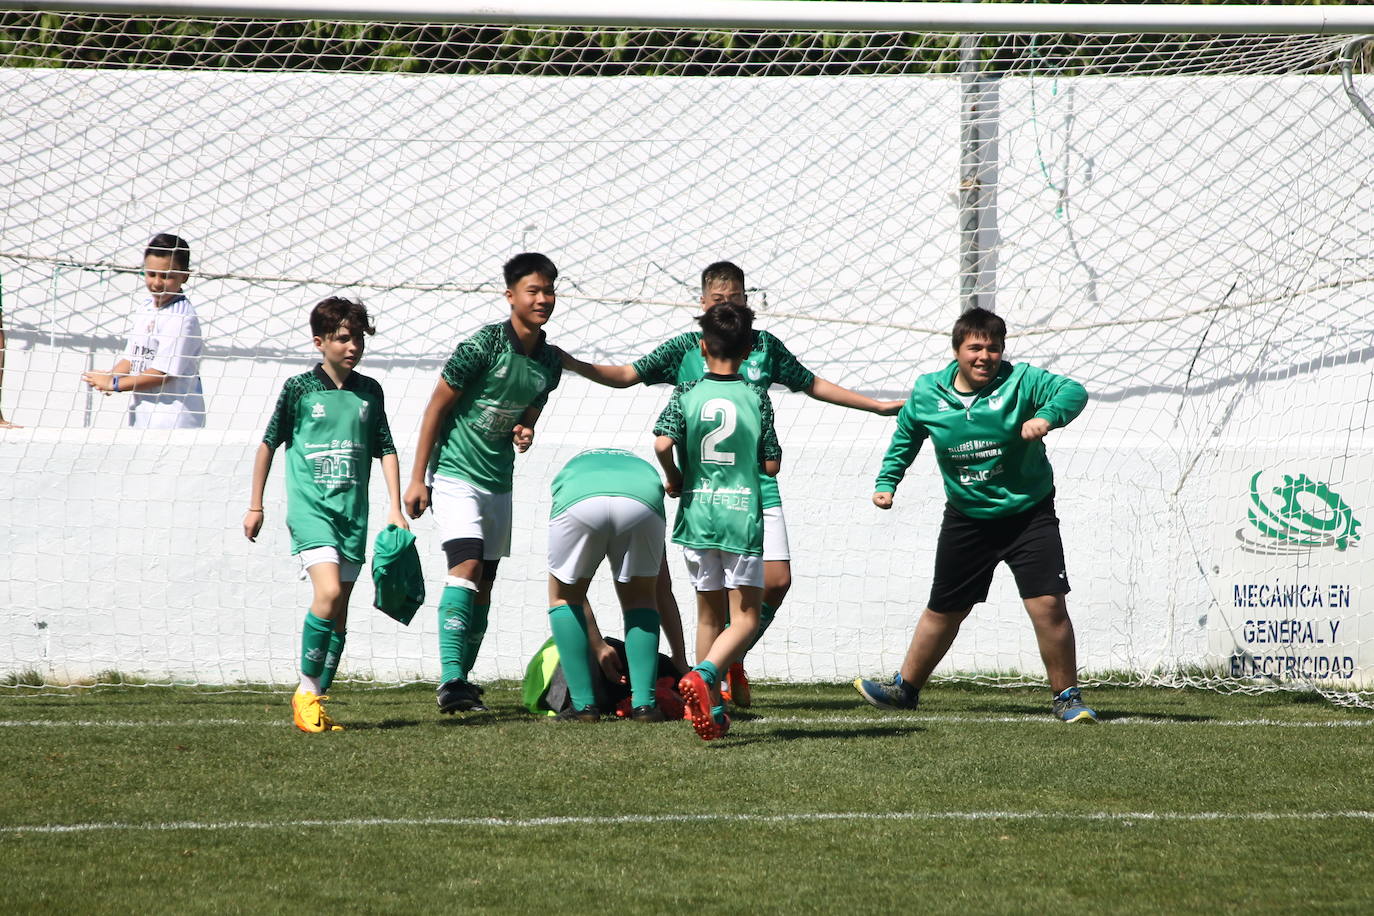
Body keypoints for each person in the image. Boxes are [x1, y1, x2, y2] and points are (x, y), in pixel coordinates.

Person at [562, 261, 902, 705]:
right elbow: (627, 375)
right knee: (720, 601)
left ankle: (725, 661)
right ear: (703, 303)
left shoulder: (763, 346)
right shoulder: (687, 348)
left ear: (747, 300)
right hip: (711, 493)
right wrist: (573, 364)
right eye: (718, 300)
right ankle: (713, 687)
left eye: (735, 298)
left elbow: (811, 383)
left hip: (753, 491)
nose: (727, 305)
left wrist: (875, 406)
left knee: (776, 582)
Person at [854, 306, 1097, 723]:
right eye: (975, 348)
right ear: (957, 351)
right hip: (967, 517)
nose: (985, 356)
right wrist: (887, 481)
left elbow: (1073, 391)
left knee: (1047, 604)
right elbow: (906, 435)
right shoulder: (928, 392)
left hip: (1029, 513)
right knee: (945, 608)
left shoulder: (1022, 381)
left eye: (993, 348)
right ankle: (904, 690)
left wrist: (1046, 417)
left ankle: (1067, 698)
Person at [404, 252, 563, 715]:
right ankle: (451, 680)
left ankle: (463, 681)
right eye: (533, 291)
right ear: (510, 296)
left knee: (486, 583)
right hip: (455, 474)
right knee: (467, 565)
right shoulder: (481, 346)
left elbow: (531, 409)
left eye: (549, 291)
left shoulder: (549, 361)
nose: (543, 299)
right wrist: (418, 479)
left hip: (498, 482)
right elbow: (436, 408)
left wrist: (526, 429)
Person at [243, 297, 407, 733]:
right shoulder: (299, 389)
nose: (353, 347)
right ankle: (304, 693)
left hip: (353, 514)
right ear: (320, 342)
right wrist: (256, 505)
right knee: (329, 592)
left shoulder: (369, 391)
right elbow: (268, 443)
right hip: (311, 512)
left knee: (340, 612)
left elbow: (386, 448)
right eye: (343, 338)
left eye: (358, 339)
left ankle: (316, 697)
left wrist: (395, 508)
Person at [653, 301, 781, 741]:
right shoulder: (756, 397)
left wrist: (674, 476)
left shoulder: (687, 393)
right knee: (744, 619)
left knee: (707, 614)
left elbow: (661, 443)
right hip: (739, 517)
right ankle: (705, 675)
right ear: (748, 350)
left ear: (703, 347)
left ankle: (712, 706)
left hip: (697, 515)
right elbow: (770, 465)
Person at [544, 447, 671, 723]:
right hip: (642, 500)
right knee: (641, 600)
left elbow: (571, 596)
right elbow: (664, 592)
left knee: (564, 597)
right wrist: (681, 659)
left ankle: (583, 707)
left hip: (578, 499)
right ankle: (645, 705)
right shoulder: (642, 467)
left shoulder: (573, 466)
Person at [81, 233, 205, 428]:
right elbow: (132, 357)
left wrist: (114, 384)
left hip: (173, 419)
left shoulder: (182, 318)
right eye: (151, 274)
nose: (157, 283)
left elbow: (162, 373)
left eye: (166, 276)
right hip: (143, 414)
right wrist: (110, 377)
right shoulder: (146, 307)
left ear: (185, 276)